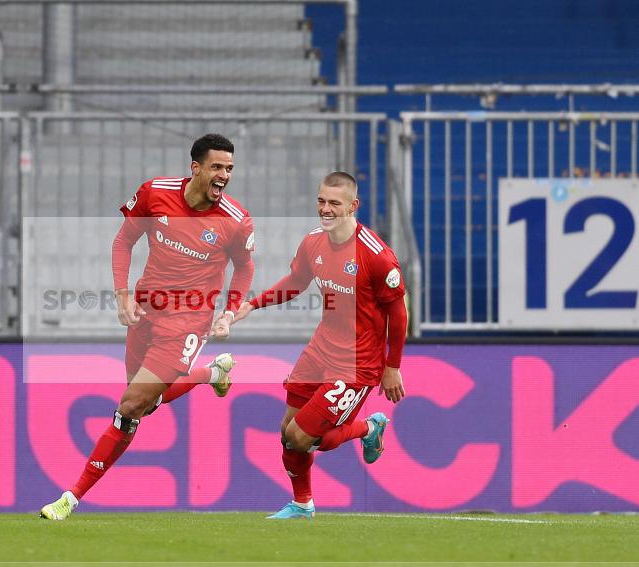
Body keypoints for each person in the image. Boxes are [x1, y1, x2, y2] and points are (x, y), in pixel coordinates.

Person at [40, 133, 255, 520]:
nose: (224, 175)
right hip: (146, 311)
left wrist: (229, 311)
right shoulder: (155, 193)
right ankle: (211, 373)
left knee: (130, 406)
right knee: (144, 405)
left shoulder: (235, 221)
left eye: (229, 168)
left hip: (189, 320)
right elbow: (124, 241)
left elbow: (245, 266)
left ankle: (70, 498)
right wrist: (122, 294)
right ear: (195, 168)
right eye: (217, 167)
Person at [233, 171, 407, 519]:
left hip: (357, 364)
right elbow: (296, 282)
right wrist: (252, 304)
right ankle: (302, 504)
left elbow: (399, 314)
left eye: (334, 204)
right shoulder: (313, 241)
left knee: (302, 438)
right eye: (321, 201)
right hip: (321, 349)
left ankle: (369, 427)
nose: (325, 210)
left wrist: (392, 366)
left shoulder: (376, 256)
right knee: (287, 433)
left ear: (353, 206)